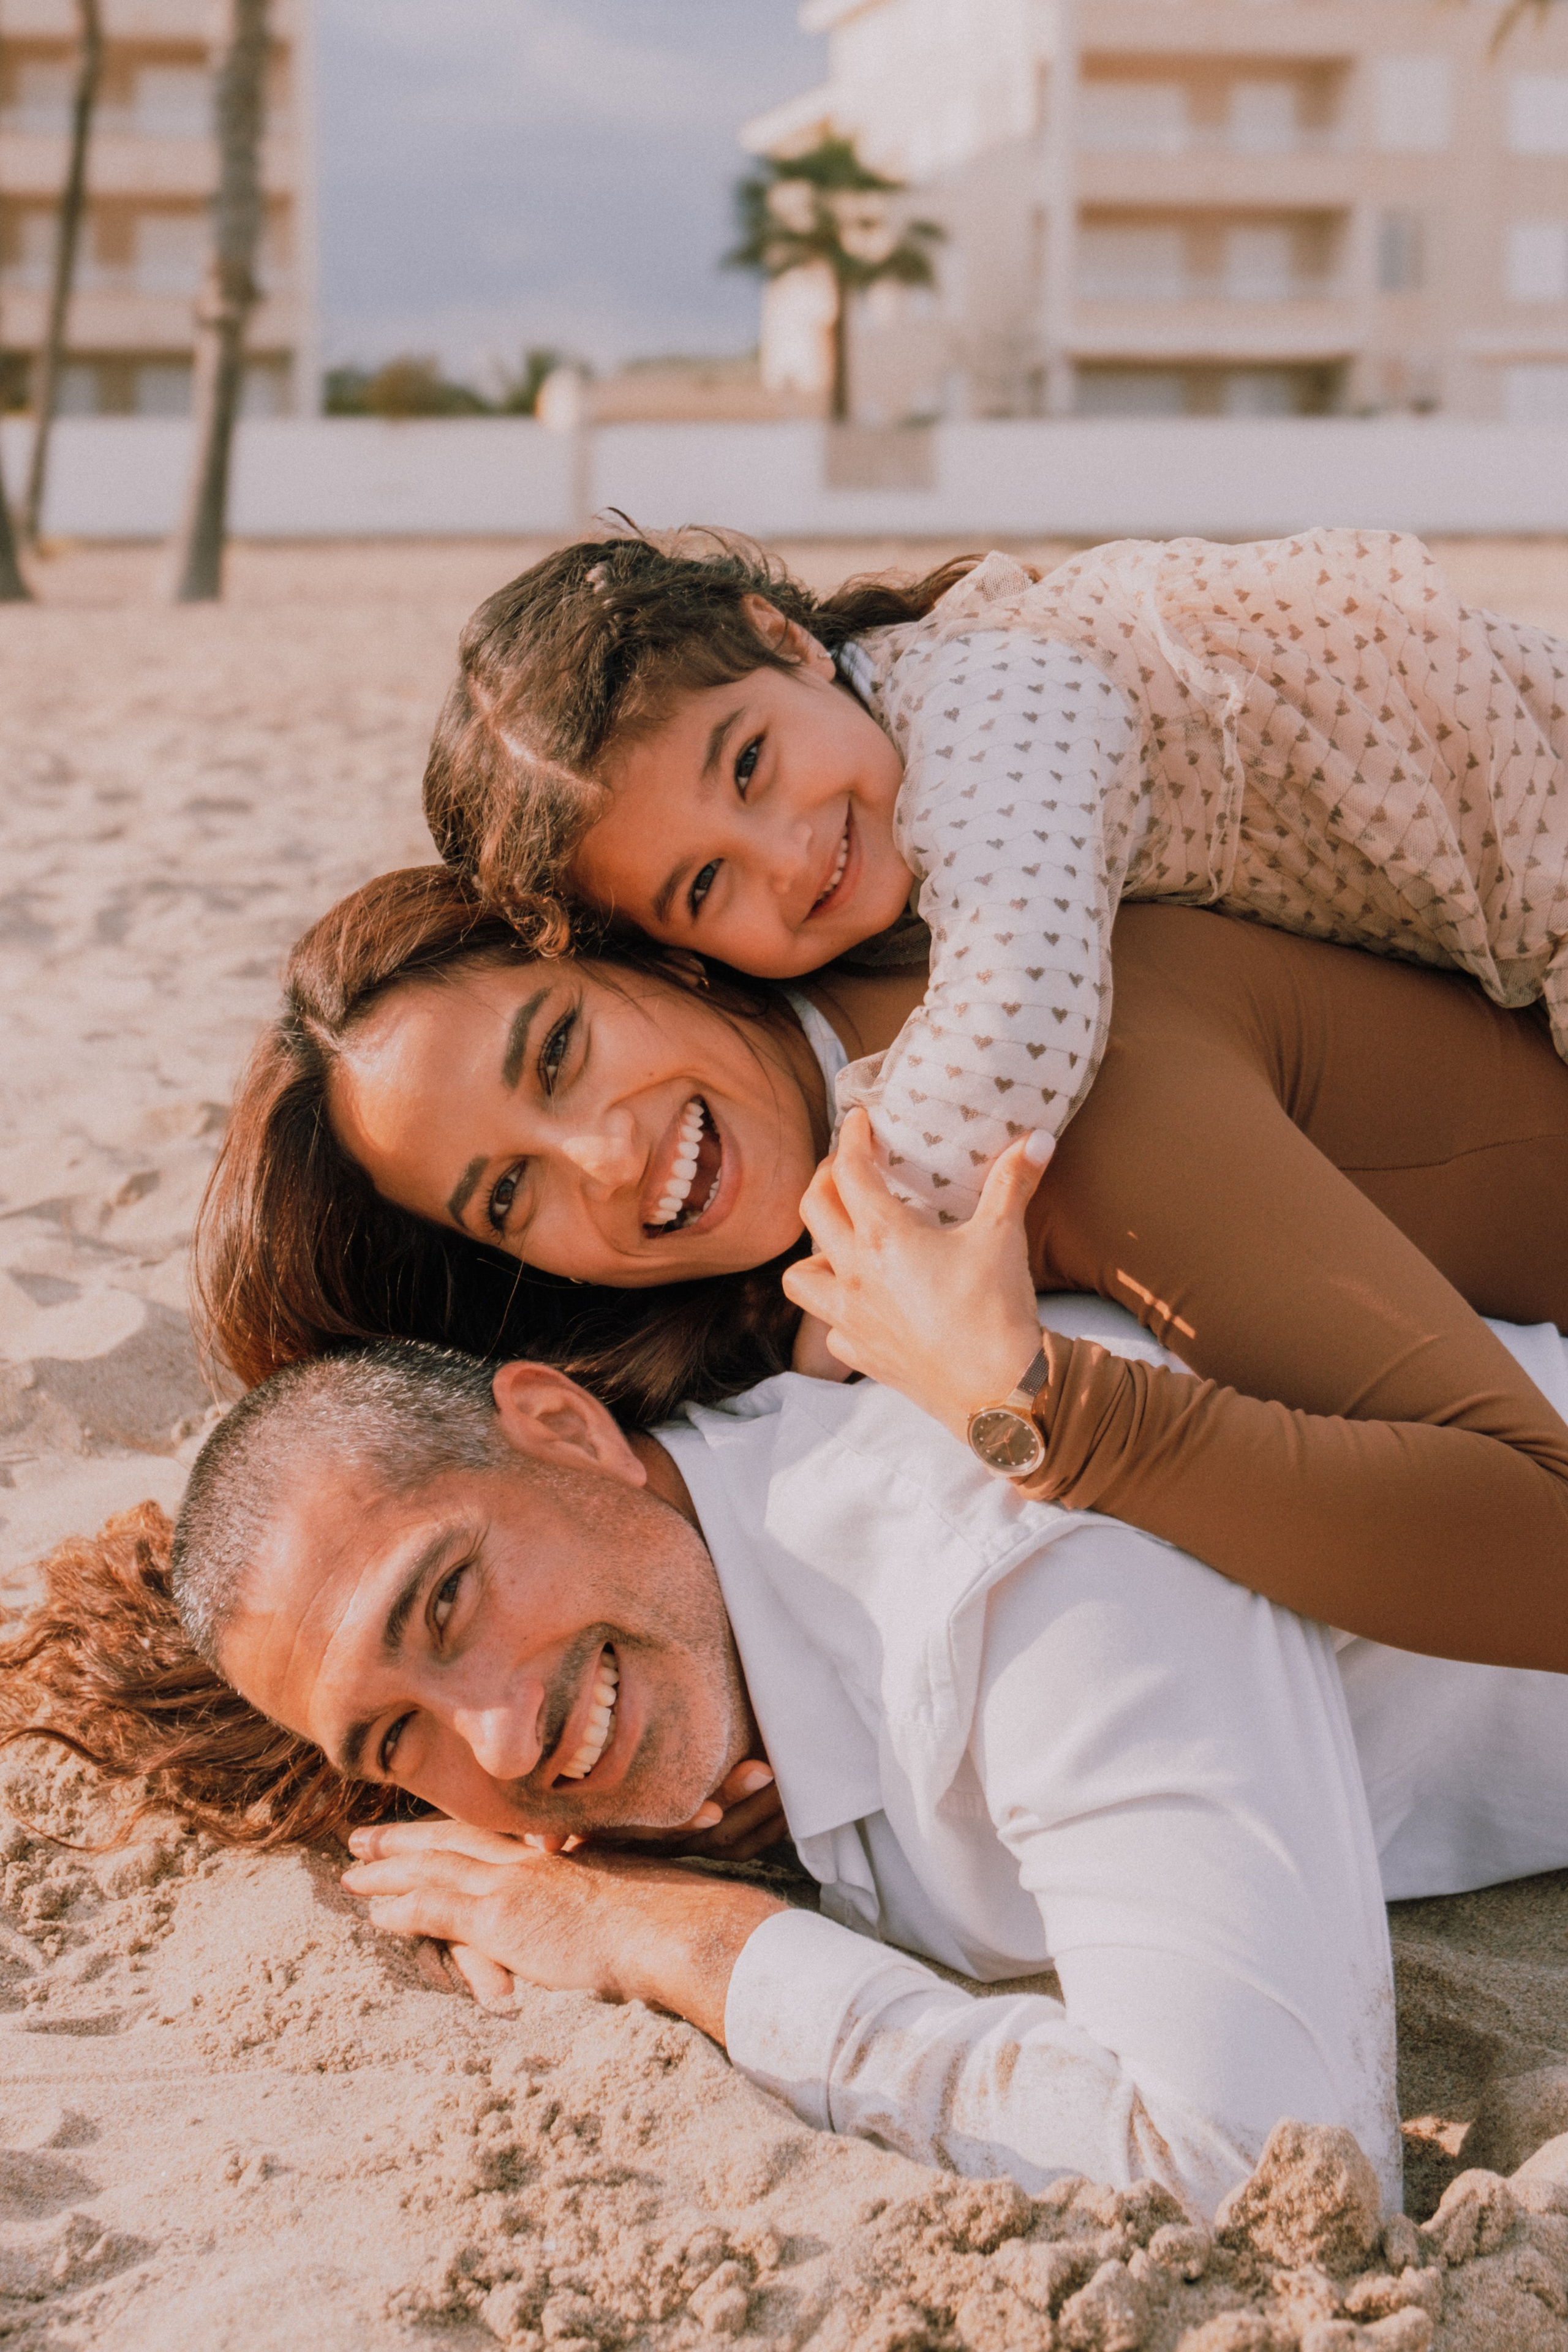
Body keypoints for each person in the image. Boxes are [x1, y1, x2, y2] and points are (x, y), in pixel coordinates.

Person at [120, 1329, 1568, 2219]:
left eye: (445, 1602)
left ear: (563, 1428)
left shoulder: (1011, 1548)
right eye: (396, 1741)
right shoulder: (711, 1632)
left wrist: (699, 1945)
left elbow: (1263, 2172)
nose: (497, 1742)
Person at [194, 864, 1568, 1672]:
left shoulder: (1060, 1097)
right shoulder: (818, 1224)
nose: (603, 1162)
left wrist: (1030, 1405)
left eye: (556, 1052)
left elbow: (1542, 1544)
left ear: (641, 954)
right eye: (510, 1194)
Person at [422, 525, 1568, 1224]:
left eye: (753, 764)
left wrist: (857, 1256)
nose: (785, 856)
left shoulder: (996, 696)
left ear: (785, 639)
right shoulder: (891, 782)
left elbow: (1024, 1009)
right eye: (704, 886)